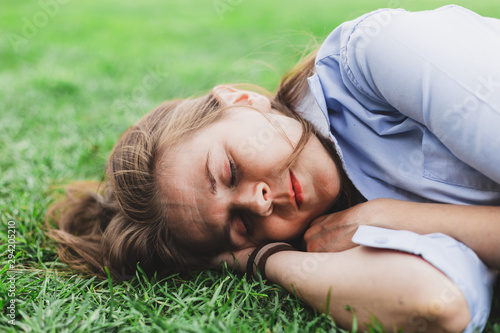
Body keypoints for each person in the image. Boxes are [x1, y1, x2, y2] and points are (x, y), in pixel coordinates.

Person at [46, 4, 500, 332]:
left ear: (240, 100)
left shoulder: (376, 57)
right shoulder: (332, 229)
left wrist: (397, 219)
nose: (258, 203)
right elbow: (435, 304)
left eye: (228, 171)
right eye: (238, 226)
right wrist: (268, 260)